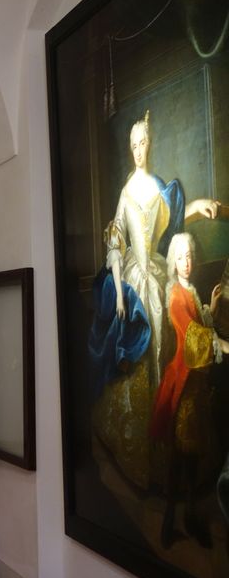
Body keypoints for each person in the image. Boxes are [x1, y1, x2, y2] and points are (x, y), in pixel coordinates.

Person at [89, 111, 221, 490]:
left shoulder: (161, 188)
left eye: (142, 143)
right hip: (135, 281)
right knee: (141, 355)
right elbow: (116, 243)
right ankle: (141, 453)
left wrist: (196, 205)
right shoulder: (126, 192)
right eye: (133, 145)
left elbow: (172, 227)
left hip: (160, 275)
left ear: (151, 144)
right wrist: (119, 290)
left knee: (168, 352)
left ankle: (170, 448)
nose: (137, 150)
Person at [147, 233, 228, 547]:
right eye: (181, 257)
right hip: (183, 383)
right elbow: (192, 335)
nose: (187, 263)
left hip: (196, 385)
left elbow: (200, 321)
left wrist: (212, 306)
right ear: (173, 261)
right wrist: (221, 344)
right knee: (180, 456)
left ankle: (189, 518)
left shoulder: (190, 290)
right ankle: (171, 523)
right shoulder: (175, 295)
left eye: (190, 256)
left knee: (191, 457)